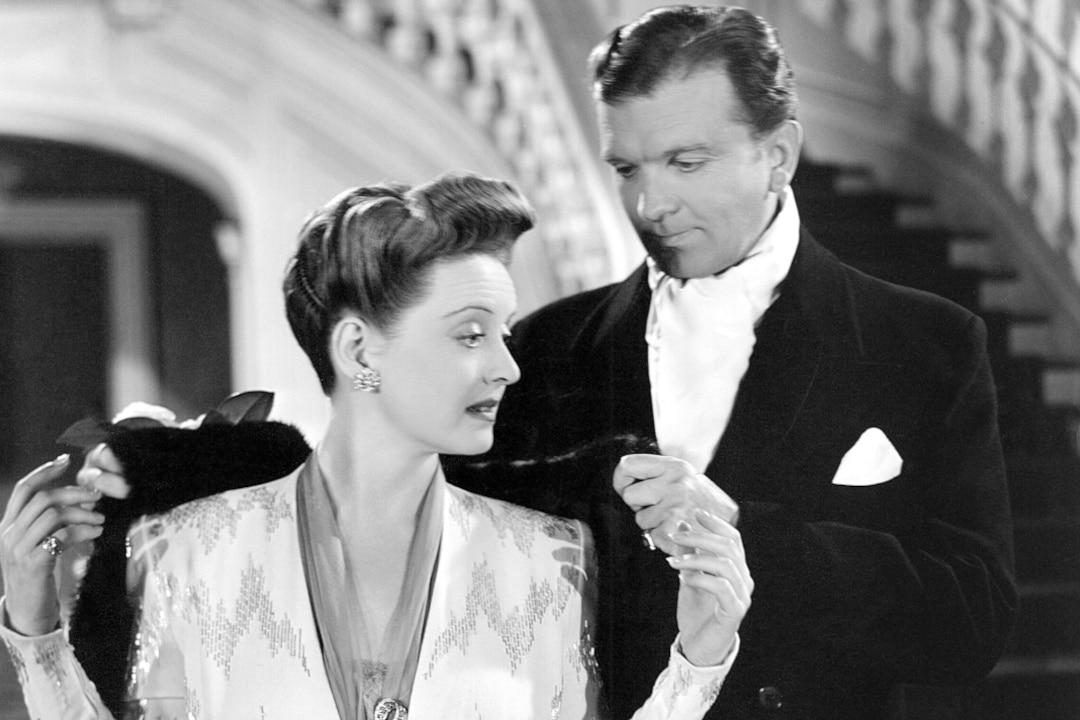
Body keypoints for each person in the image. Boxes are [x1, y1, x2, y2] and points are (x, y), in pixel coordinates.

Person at [0, 173, 753, 719]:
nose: (508, 366)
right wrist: (35, 633)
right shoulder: (182, 551)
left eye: (504, 333)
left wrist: (697, 660)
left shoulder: (551, 559)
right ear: (359, 349)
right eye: (471, 334)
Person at [449, 5, 1017, 719]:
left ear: (779, 155)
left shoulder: (924, 343)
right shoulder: (541, 350)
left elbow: (973, 621)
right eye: (626, 168)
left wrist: (750, 537)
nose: (650, 204)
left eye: (686, 163)